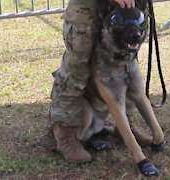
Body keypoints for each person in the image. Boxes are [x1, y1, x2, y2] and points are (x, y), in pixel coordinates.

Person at [49, 0, 136, 164]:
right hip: (86, 10)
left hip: (124, 9)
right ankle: (65, 134)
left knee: (124, 65)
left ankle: (126, 125)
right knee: (77, 70)